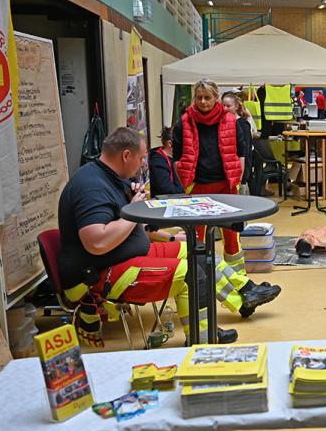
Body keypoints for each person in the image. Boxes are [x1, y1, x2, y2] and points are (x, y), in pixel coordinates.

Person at [58, 127, 246, 345]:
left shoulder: (113, 177)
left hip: (126, 256)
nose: (142, 164)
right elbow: (97, 243)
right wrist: (132, 210)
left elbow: (131, 227)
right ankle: (202, 340)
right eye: (141, 158)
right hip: (99, 273)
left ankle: (241, 300)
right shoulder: (92, 187)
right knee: (190, 274)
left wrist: (170, 237)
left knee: (198, 251)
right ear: (126, 155)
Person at [173, 79, 281, 317]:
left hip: (225, 186)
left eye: (207, 97)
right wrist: (184, 184)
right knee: (197, 243)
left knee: (232, 240)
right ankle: (222, 291)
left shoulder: (231, 121)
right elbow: (178, 157)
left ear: (216, 98)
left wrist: (237, 181)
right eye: (199, 97)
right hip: (197, 188)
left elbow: (241, 152)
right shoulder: (185, 122)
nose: (203, 102)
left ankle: (244, 289)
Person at [222, 91, 257, 193]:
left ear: (236, 106)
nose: (225, 109)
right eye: (223, 106)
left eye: (228, 106)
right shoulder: (223, 122)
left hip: (239, 175)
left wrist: (243, 177)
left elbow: (246, 152)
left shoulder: (243, 125)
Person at [149, 126, 184, 197]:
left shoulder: (176, 157)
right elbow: (167, 190)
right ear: (170, 144)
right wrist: (185, 189)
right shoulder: (157, 162)